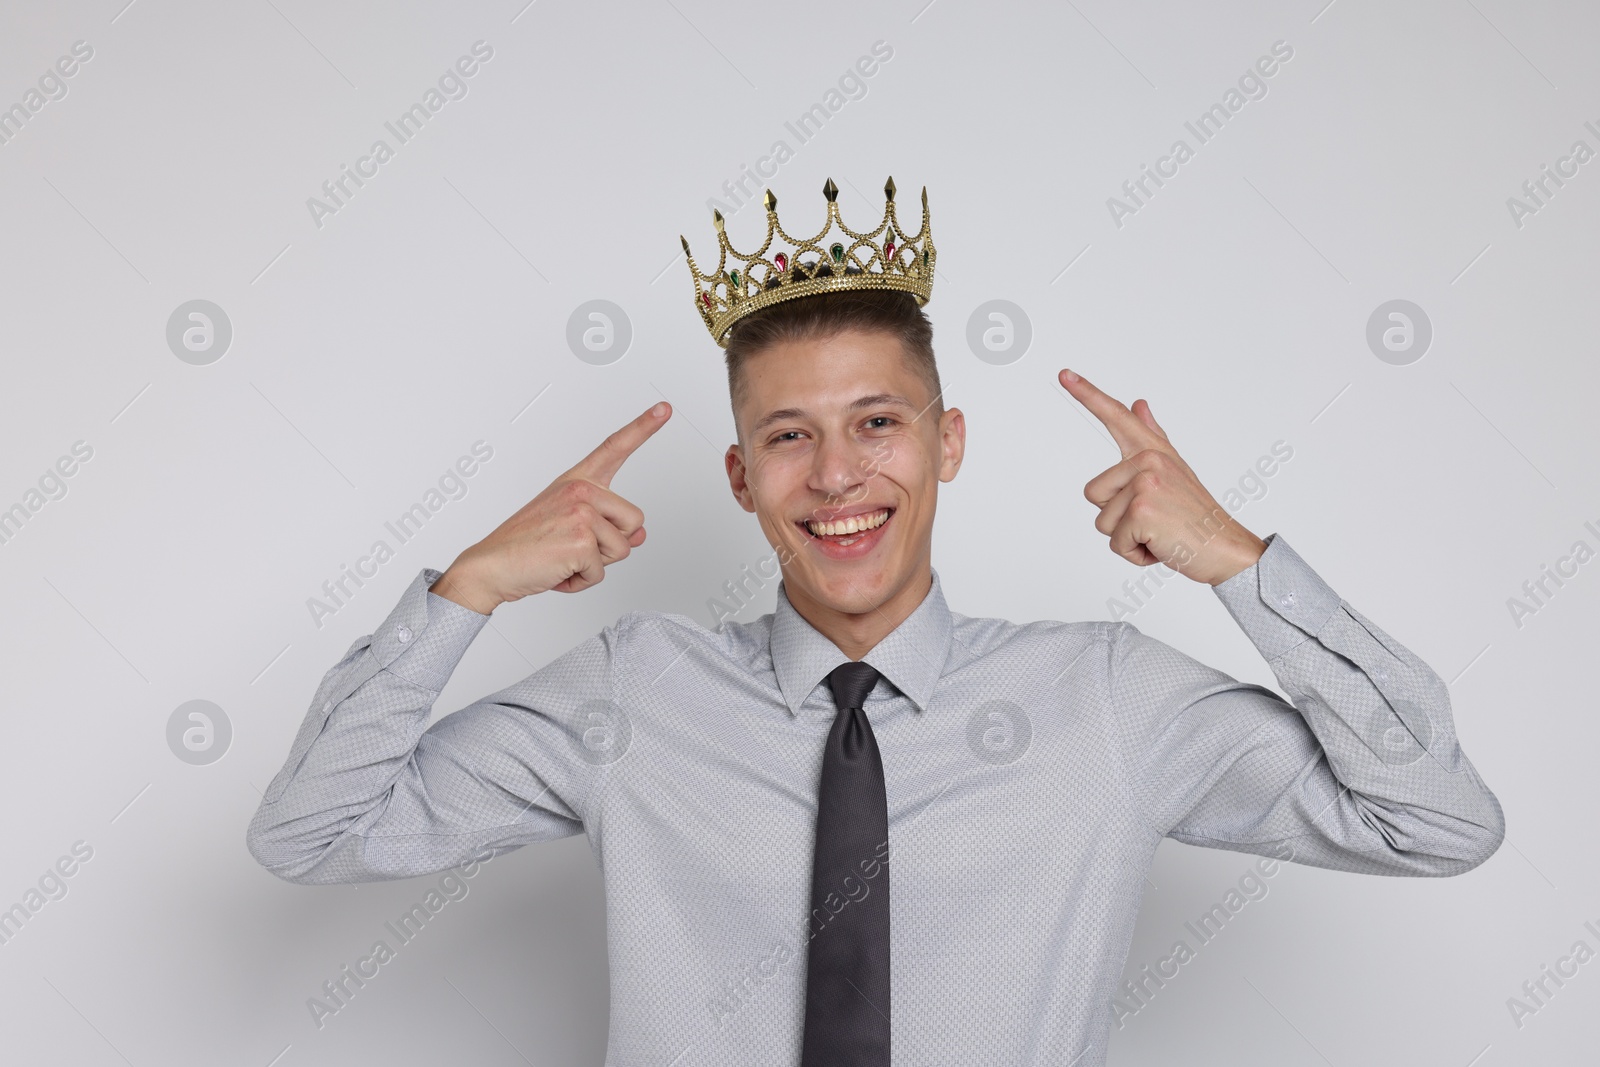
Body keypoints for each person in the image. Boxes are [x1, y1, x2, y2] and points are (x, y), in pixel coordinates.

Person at [246, 178, 1504, 1066]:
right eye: (787, 436)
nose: (836, 476)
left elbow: (1436, 821)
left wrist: (1239, 562)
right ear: (740, 478)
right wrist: (467, 587)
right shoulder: (633, 690)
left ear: (947, 442)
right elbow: (311, 832)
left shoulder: (1107, 699)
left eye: (878, 421)